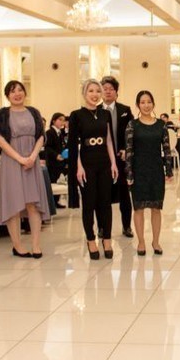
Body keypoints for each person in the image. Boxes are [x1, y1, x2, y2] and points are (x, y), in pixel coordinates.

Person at [0, 80, 49, 259]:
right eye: (12, 91)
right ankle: (17, 245)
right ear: (7, 96)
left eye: (20, 90)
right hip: (11, 162)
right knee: (14, 203)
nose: (17, 94)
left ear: (25, 92)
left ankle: (36, 244)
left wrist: (32, 157)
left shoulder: (34, 112)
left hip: (32, 161)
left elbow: (41, 136)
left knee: (33, 204)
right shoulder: (2, 114)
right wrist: (20, 158)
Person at [68, 79, 119, 259]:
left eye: (98, 91)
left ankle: (107, 239)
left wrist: (113, 163)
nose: (95, 94)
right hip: (86, 164)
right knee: (89, 204)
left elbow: (109, 140)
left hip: (104, 162)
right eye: (91, 91)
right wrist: (78, 167)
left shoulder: (105, 114)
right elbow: (74, 145)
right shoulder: (76, 115)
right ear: (84, 93)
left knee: (105, 203)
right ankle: (91, 240)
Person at [125, 90, 173, 256]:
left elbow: (166, 149)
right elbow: (129, 150)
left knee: (156, 208)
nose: (146, 105)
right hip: (138, 171)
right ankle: (141, 241)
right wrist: (129, 173)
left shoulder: (161, 125)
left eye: (149, 102)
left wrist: (169, 169)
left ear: (153, 104)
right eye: (142, 102)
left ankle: (156, 241)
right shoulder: (132, 125)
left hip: (156, 171)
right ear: (138, 105)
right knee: (138, 209)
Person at [100, 75, 134, 238]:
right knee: (102, 196)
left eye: (111, 89)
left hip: (121, 159)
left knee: (124, 195)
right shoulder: (95, 111)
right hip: (102, 160)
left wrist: (126, 150)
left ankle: (127, 226)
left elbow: (131, 133)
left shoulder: (125, 110)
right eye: (105, 89)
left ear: (116, 92)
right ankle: (102, 228)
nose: (108, 92)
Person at [44, 112, 68, 184]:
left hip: (61, 164)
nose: (62, 122)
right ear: (53, 121)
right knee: (54, 185)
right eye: (60, 120)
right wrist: (56, 155)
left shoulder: (61, 133)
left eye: (63, 120)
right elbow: (47, 147)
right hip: (53, 164)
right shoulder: (49, 133)